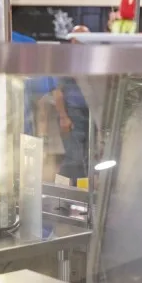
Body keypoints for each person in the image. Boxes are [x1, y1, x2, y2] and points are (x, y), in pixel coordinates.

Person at [54, 25, 90, 183]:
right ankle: (63, 193)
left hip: (90, 113)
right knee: (73, 157)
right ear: (73, 39)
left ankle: (82, 194)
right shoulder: (66, 60)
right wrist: (63, 117)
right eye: (79, 37)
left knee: (87, 158)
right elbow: (58, 91)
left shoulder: (90, 59)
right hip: (72, 114)